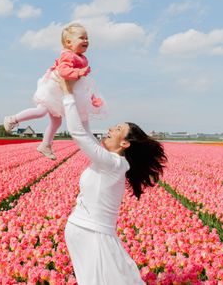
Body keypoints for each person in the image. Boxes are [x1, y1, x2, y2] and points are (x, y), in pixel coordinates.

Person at [54, 76, 167, 284]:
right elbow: (86, 131)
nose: (109, 129)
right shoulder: (108, 162)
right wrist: (81, 100)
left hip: (93, 235)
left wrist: (67, 93)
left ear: (124, 143)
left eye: (116, 129)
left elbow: (79, 133)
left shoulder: (114, 164)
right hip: (82, 232)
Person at [3, 23, 106, 160]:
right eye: (82, 38)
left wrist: (91, 97)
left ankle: (45, 145)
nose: (86, 41)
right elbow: (64, 71)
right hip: (55, 89)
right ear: (69, 43)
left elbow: (83, 85)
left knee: (56, 122)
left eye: (87, 38)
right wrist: (79, 72)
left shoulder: (81, 57)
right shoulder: (68, 55)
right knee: (41, 111)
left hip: (65, 91)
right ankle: (13, 119)